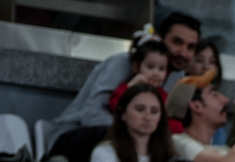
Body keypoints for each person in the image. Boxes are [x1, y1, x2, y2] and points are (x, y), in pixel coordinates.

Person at [53, 13, 201, 137]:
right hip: (75, 134)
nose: (183, 53)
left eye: (191, 47)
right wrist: (135, 134)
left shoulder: (179, 77)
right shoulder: (123, 62)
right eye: (177, 42)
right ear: (159, 39)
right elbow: (92, 114)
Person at [91, 83, 174, 162]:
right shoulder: (104, 152)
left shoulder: (171, 157)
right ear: (123, 113)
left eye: (154, 111)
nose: (148, 117)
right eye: (140, 109)